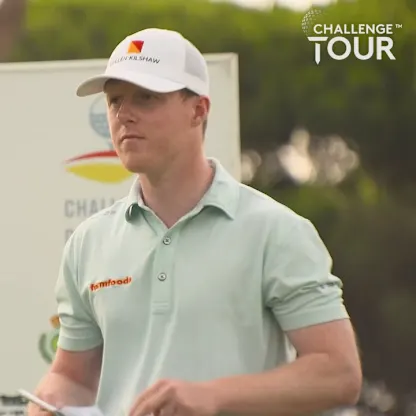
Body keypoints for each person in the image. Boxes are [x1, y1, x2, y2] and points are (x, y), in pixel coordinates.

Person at [28, 27, 362, 416]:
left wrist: (214, 396)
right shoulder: (88, 241)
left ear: (198, 110)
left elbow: (339, 374)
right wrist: (50, 401)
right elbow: (72, 377)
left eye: (146, 97)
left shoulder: (276, 231)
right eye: (115, 100)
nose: (123, 115)